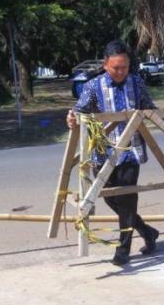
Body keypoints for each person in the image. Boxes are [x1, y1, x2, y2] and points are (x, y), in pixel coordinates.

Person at [66, 39, 159, 266]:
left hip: (130, 150)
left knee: (127, 198)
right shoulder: (93, 86)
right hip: (102, 152)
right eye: (116, 67)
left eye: (124, 67)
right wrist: (71, 118)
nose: (120, 72)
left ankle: (123, 249)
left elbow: (150, 109)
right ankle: (147, 231)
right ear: (106, 64)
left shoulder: (136, 82)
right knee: (109, 197)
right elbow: (79, 111)